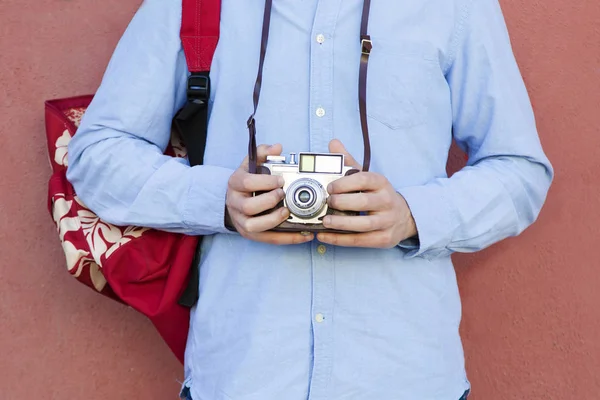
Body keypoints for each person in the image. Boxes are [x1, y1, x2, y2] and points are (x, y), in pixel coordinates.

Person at [66, 0, 553, 398]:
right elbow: (96, 154)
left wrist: (412, 216)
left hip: (406, 377)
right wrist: (221, 201)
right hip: (242, 377)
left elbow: (520, 170)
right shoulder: (193, 4)